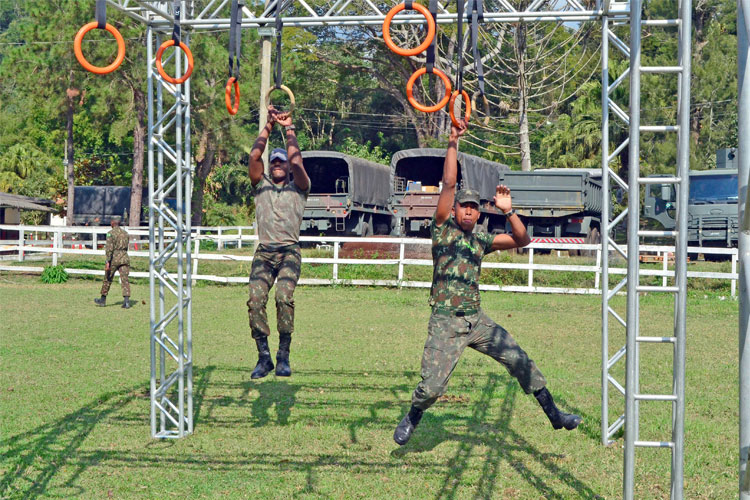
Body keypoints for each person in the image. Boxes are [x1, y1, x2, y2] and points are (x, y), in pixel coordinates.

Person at [393, 121, 581, 446]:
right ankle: (413, 415)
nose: (468, 212)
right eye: (463, 207)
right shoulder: (442, 229)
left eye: (474, 208)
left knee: (519, 360)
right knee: (433, 387)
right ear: (454, 210)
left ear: (479, 214)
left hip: (477, 321)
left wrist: (509, 212)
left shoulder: (481, 239)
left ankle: (555, 416)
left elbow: (523, 240)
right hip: (446, 322)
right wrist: (453, 141)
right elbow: (449, 183)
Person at [246, 106, 311, 379]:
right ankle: (264, 357)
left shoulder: (300, 187)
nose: (276, 165)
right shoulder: (261, 186)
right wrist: (269, 126)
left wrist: (289, 127)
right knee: (254, 300)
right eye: (273, 161)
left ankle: (283, 356)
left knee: (283, 298)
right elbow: (253, 156)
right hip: (264, 253)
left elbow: (297, 163)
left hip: (288, 253)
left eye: (280, 162)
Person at [94, 218, 132, 309]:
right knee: (125, 280)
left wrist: (107, 261)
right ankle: (126, 301)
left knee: (107, 278)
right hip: (124, 257)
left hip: (114, 258)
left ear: (112, 223)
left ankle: (103, 299)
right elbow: (126, 246)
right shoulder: (125, 233)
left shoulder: (110, 233)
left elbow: (109, 248)